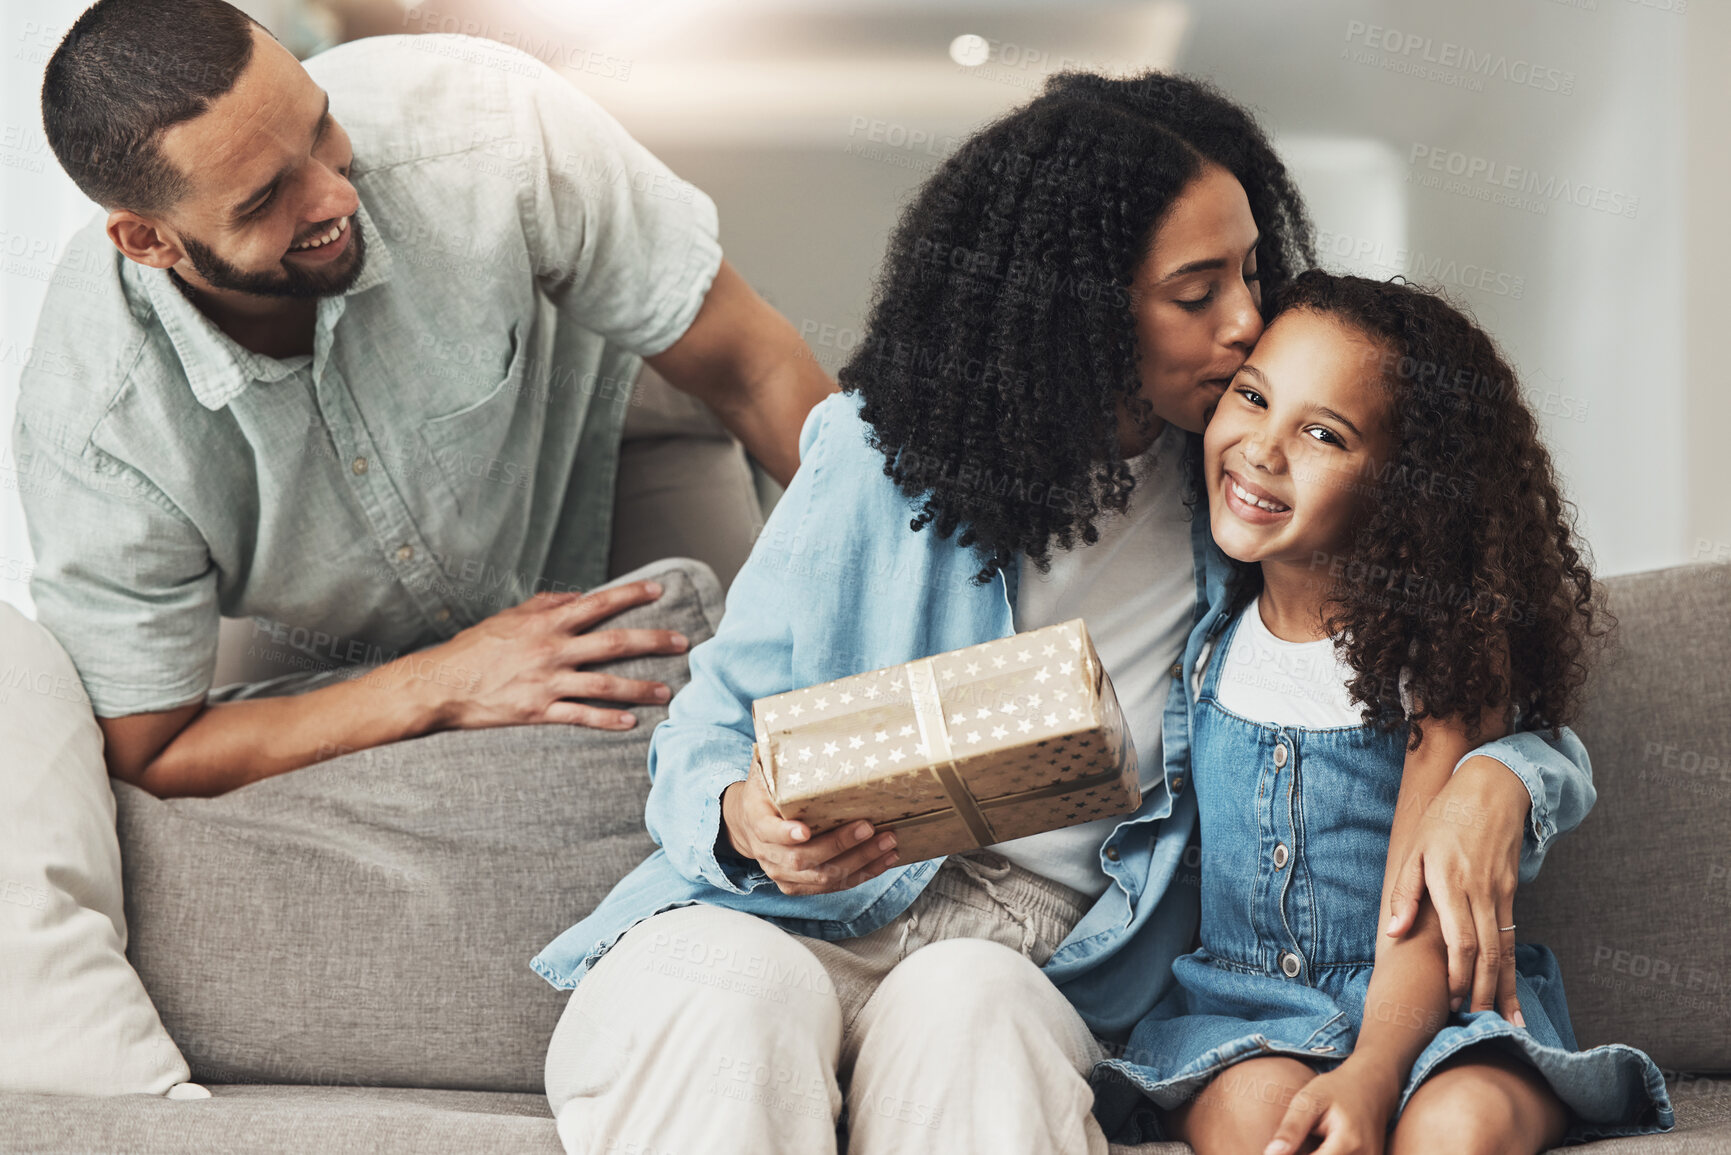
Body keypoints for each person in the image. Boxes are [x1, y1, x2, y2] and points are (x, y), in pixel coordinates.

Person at [533, 73, 1597, 1154]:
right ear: (1080, 307)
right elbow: (708, 726)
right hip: (780, 916)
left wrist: (1502, 777)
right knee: (725, 1004)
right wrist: (742, 821)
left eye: (1251, 272)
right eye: (1196, 293)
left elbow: (1453, 646)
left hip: (1037, 950)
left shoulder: (1249, 490)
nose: (1247, 323)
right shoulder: (874, 451)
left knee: (972, 1019)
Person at [14, 0, 834, 797]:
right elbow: (150, 744)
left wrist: (910, 573)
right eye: (265, 199)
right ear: (149, 240)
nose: (335, 197)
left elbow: (748, 366)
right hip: (320, 626)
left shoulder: (487, 126)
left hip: (601, 446)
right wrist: (441, 682)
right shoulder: (93, 427)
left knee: (763, 729)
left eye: (319, 130)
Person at [1089, 271, 1673, 1153]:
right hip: (1246, 1012)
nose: (1262, 448)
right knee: (1262, 1119)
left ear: (1407, 491)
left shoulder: (1436, 660)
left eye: (1323, 433)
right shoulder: (1206, 640)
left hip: (1431, 1011)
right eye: (1252, 396)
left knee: (1456, 1124)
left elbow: (1419, 906)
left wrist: (1371, 1070)